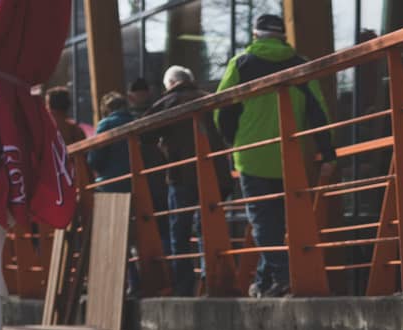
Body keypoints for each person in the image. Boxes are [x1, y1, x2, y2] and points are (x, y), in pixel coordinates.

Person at [215, 13, 336, 297]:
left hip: (252, 155)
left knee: (262, 221)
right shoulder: (300, 65)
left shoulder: (241, 64)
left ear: (255, 36)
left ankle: (281, 277)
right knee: (280, 222)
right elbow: (318, 111)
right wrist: (327, 153)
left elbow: (222, 110)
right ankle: (263, 281)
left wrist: (232, 141)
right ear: (283, 37)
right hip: (290, 156)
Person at [146, 65, 217, 296]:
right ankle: (211, 279)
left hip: (181, 174)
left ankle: (183, 287)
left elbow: (144, 133)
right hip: (214, 173)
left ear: (170, 84)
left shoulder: (168, 102)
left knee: (180, 231)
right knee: (209, 226)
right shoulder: (209, 98)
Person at [88, 91, 136, 191]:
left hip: (111, 181)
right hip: (136, 178)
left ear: (107, 109)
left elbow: (94, 159)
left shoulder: (106, 124)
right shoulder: (135, 120)